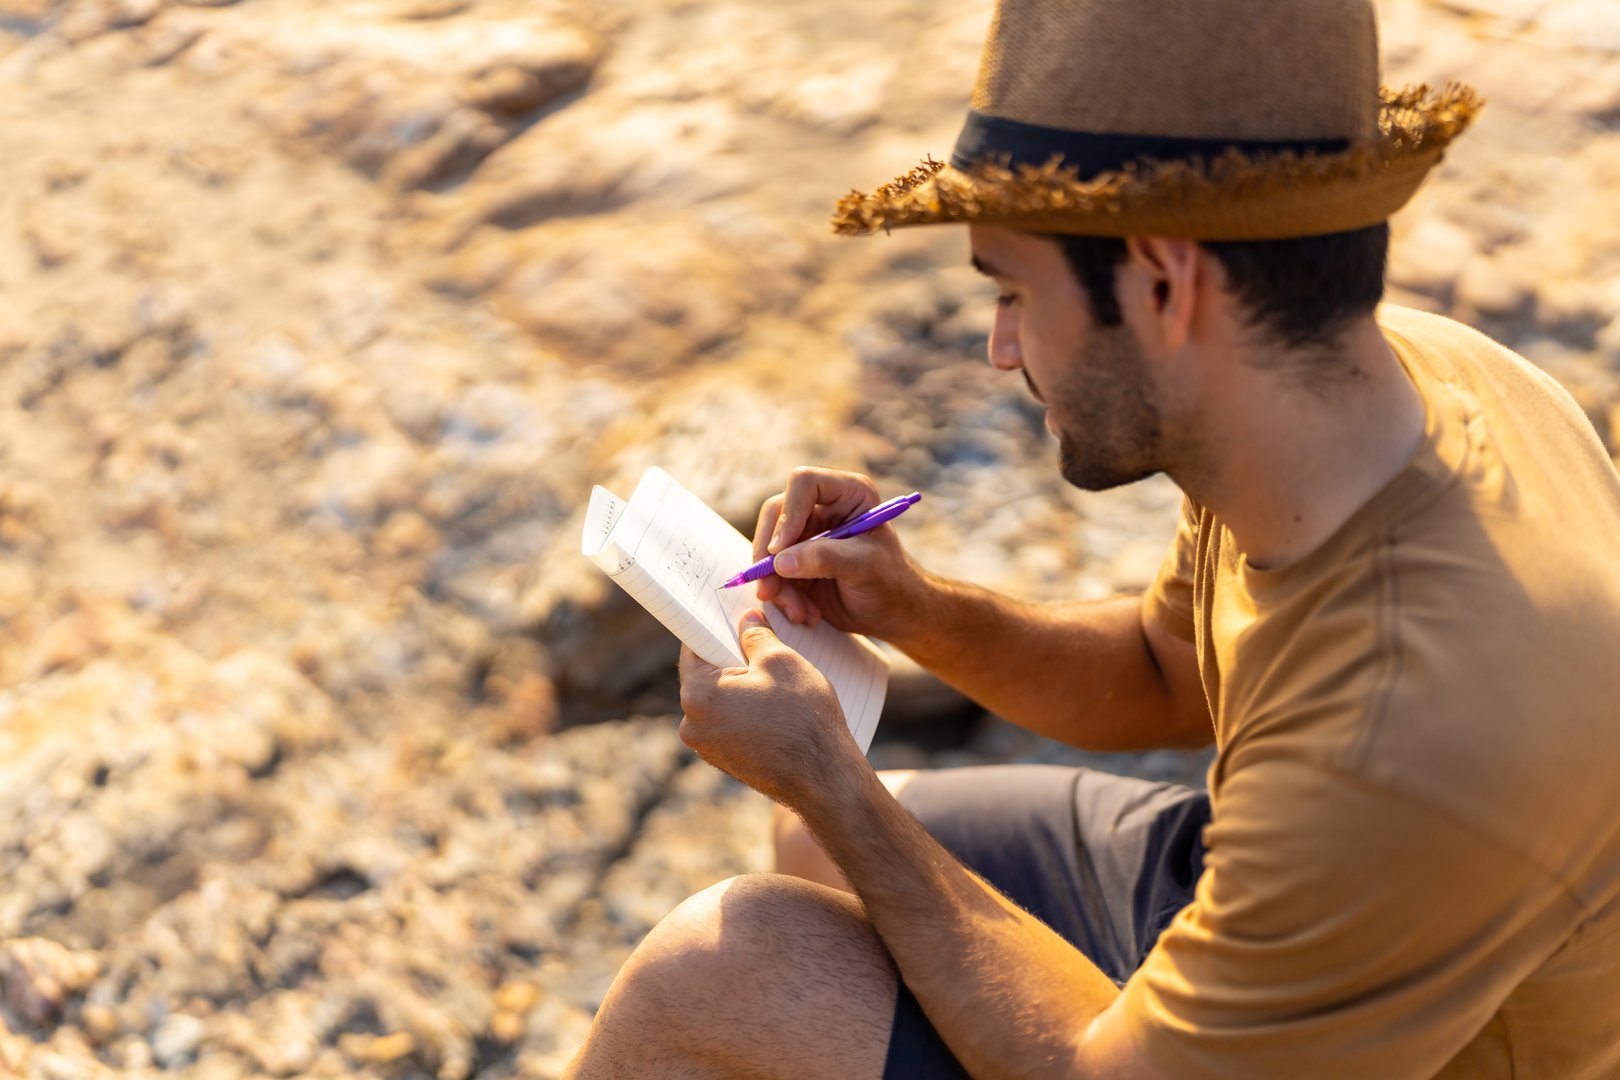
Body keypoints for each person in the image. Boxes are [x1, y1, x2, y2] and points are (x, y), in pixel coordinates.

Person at [565, 0, 1620, 1075]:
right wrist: (917, 611)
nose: (998, 348)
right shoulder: (1374, 393)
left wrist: (832, 783)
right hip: (1288, 896)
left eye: (1016, 293)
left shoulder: (1411, 728)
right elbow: (1165, 672)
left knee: (707, 973)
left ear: (1165, 284)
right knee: (816, 856)